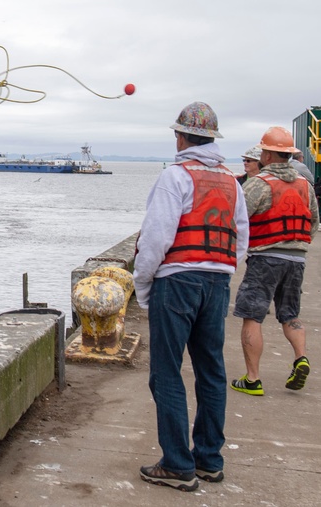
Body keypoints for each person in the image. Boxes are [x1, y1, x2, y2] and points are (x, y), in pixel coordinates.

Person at [134, 101, 249, 492]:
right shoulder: (232, 182)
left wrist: (144, 285)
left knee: (166, 373)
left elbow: (155, 239)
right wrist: (222, 271)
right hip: (217, 282)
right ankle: (209, 461)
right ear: (212, 139)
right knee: (211, 371)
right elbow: (241, 239)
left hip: (177, 281)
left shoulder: (175, 176)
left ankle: (178, 464)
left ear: (181, 137)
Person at [231, 126, 319, 397]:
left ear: (267, 155)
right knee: (290, 314)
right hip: (297, 259)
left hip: (265, 258)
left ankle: (253, 380)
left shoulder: (259, 183)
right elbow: (314, 222)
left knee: (252, 316)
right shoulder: (305, 185)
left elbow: (238, 219)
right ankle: (300, 357)